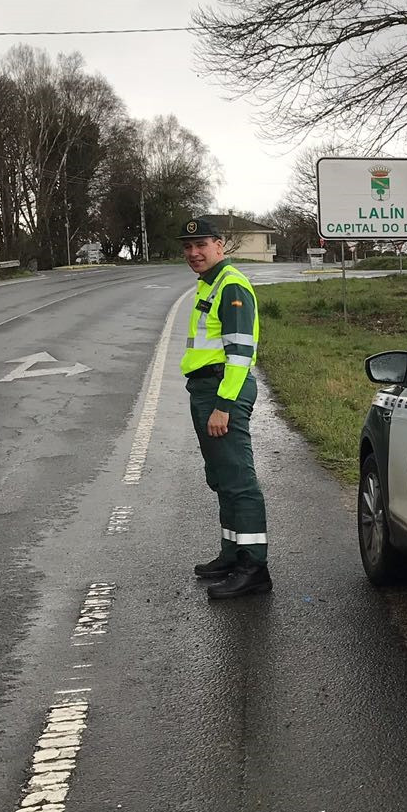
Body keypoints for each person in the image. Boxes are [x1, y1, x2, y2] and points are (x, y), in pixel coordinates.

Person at [179, 217, 272, 599]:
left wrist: (224, 405)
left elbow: (240, 354)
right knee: (221, 476)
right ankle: (232, 554)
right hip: (207, 389)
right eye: (187, 247)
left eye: (201, 244)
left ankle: (254, 569)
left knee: (238, 479)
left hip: (223, 389)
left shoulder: (231, 285)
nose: (193, 253)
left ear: (220, 245)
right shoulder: (211, 283)